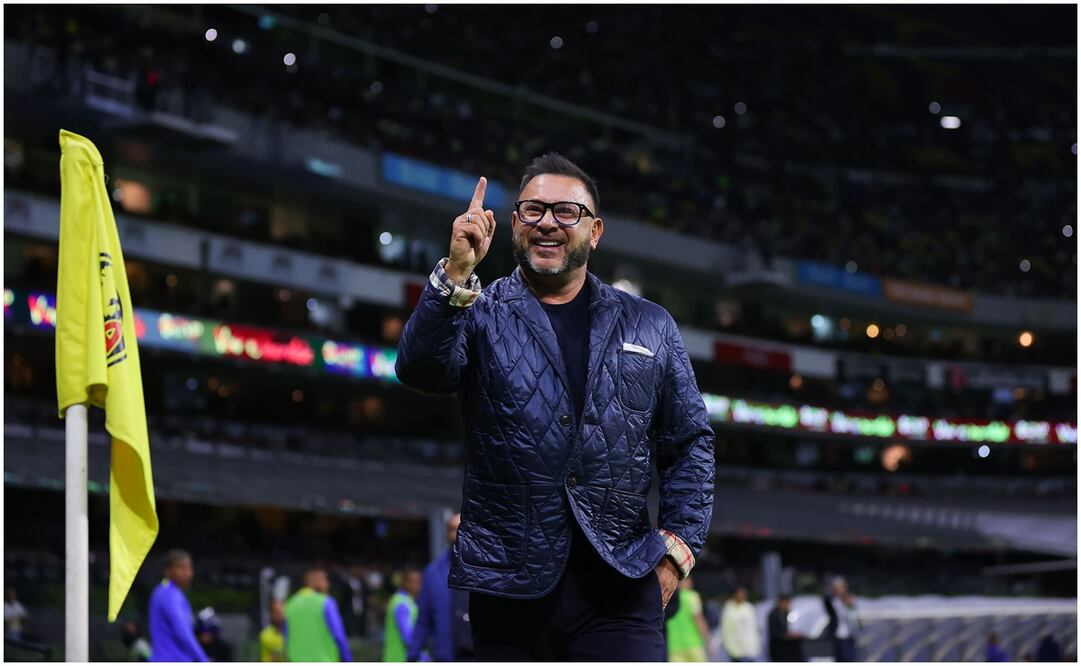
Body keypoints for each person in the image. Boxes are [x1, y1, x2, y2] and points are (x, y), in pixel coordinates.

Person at [396, 153, 715, 661]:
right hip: (507, 585)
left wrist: (676, 552)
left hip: (622, 581)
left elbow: (690, 442)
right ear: (515, 224)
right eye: (533, 210)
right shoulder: (479, 311)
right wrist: (456, 273)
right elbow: (420, 370)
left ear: (595, 231)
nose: (548, 222)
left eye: (566, 211)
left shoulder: (651, 325)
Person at [408, 513, 473, 662]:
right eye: (452, 529)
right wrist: (412, 655)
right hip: (445, 655)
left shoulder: (486, 570)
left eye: (461, 528)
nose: (456, 534)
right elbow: (423, 618)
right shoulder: (434, 572)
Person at [148, 550, 209, 662]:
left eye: (189, 568)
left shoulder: (163, 591)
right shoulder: (169, 594)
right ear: (167, 571)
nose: (187, 573)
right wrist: (203, 659)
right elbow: (182, 631)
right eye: (181, 568)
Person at [283, 566, 352, 662]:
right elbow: (339, 636)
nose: (328, 584)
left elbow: (286, 638)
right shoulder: (326, 602)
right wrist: (348, 660)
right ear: (314, 582)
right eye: (325, 579)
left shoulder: (290, 604)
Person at [664, 577, 711, 661]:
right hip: (693, 645)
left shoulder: (668, 598)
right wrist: (707, 641)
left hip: (674, 647)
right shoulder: (691, 596)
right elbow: (699, 620)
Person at [383, 568, 422, 662]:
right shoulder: (402, 604)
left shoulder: (403, 600)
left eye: (419, 582)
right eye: (413, 582)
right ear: (405, 583)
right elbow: (409, 637)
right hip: (401, 658)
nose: (418, 586)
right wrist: (423, 656)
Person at [822, 577, 859, 662]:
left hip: (850, 635)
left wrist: (850, 604)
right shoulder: (832, 601)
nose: (842, 589)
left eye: (843, 587)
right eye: (839, 587)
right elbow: (827, 599)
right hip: (838, 637)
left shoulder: (848, 600)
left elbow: (853, 616)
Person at [721, 587, 760, 662]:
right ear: (734, 595)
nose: (743, 596)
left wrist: (755, 646)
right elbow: (726, 631)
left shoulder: (749, 607)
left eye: (744, 594)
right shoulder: (729, 609)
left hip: (751, 650)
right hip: (737, 653)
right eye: (740, 594)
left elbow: (753, 628)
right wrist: (732, 650)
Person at [767, 595, 804, 662]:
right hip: (778, 648)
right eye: (786, 603)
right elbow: (776, 633)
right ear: (781, 603)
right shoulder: (774, 615)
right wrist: (789, 635)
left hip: (784, 647)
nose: (788, 605)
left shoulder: (785, 613)